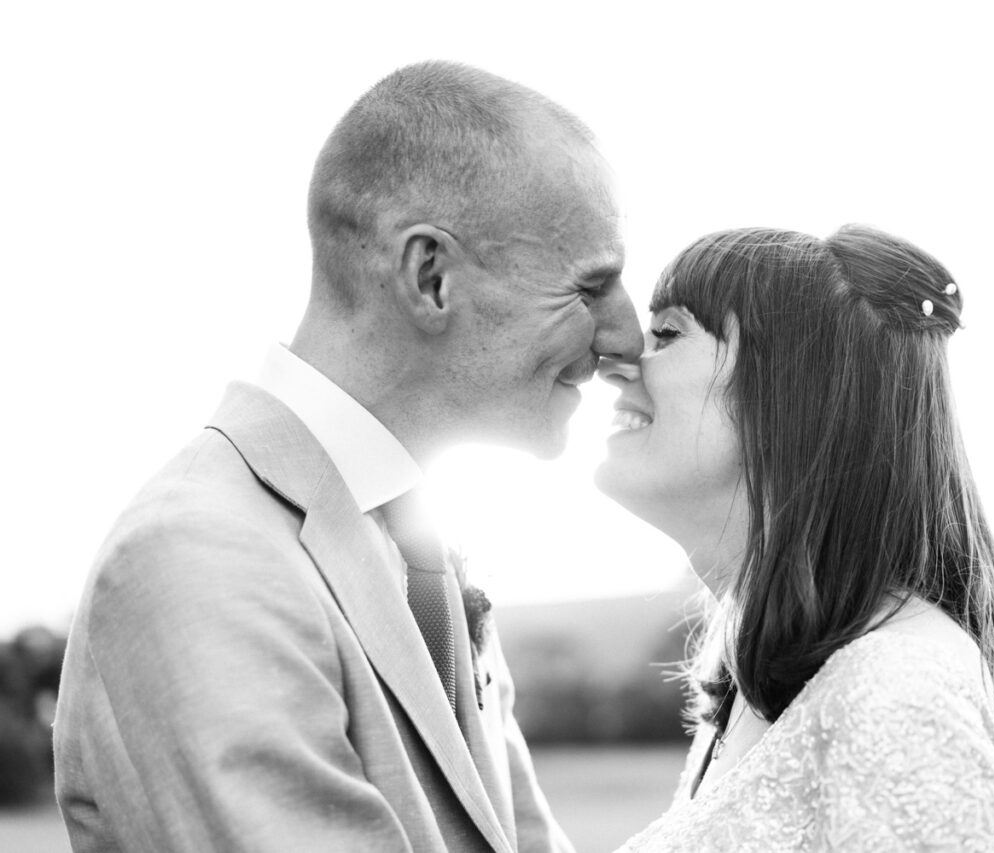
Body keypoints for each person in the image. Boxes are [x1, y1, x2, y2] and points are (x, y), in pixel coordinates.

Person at [53, 61, 641, 852]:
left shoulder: (419, 550)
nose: (625, 339)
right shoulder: (201, 553)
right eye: (590, 287)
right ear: (429, 275)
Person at [595, 225, 994, 850]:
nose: (617, 364)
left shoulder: (899, 685)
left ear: (789, 391)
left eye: (669, 333)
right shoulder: (769, 684)